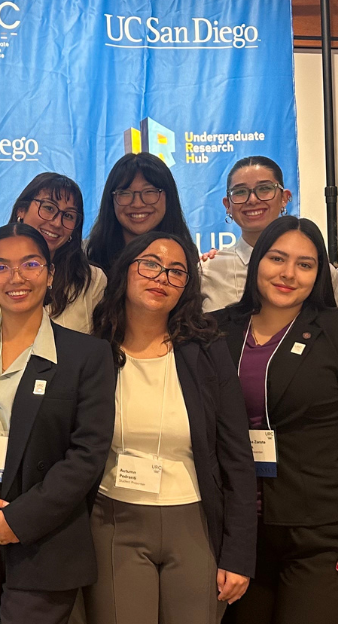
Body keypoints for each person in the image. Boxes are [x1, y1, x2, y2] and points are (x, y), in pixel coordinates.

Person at [0, 223, 116, 624]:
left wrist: (20, 519)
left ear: (50, 274)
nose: (16, 277)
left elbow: (87, 455)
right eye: (0, 267)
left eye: (30, 264)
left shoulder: (87, 355)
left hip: (45, 541)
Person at [212, 216, 338, 624]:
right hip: (238, 531)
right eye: (277, 258)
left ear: (319, 274)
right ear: (257, 262)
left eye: (305, 264)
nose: (288, 274)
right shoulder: (217, 329)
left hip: (319, 530)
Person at [85, 231, 256, 624]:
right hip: (114, 520)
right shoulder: (95, 350)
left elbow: (236, 457)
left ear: (187, 286)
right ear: (125, 270)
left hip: (194, 522)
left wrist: (239, 554)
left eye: (176, 271)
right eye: (150, 264)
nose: (161, 277)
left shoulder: (207, 350)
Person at [0, 173, 106, 333]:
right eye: (49, 208)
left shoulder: (92, 280)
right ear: (22, 210)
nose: (56, 222)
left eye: (68, 215)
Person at [201, 156, 338, 312]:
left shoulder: (321, 272)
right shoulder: (207, 271)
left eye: (265, 188)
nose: (252, 200)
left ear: (284, 198)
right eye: (240, 191)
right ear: (227, 205)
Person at [86, 153, 194, 276]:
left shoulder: (189, 261)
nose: (137, 204)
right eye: (125, 193)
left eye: (149, 191)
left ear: (169, 197)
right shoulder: (87, 261)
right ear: (111, 200)